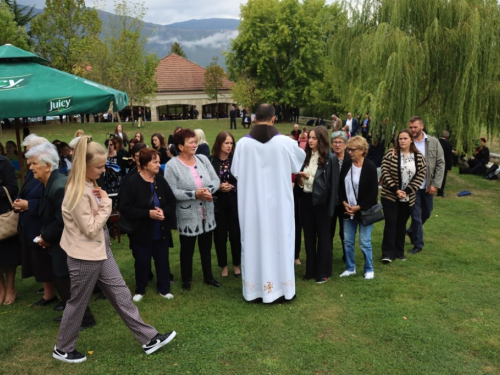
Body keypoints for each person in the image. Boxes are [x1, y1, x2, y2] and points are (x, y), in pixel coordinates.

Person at [51, 136, 175, 363]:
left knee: (121, 295)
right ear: (84, 166)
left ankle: (148, 338)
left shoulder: (90, 184)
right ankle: (63, 348)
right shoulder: (76, 191)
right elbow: (89, 229)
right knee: (78, 303)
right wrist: (107, 204)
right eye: (99, 166)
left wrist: (103, 201)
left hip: (100, 251)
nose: (103, 170)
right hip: (83, 256)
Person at [231, 103, 306, 303]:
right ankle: (283, 290)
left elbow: (236, 172)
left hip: (252, 204)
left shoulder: (243, 144)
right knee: (281, 240)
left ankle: (255, 290)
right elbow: (299, 162)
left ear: (254, 118)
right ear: (274, 119)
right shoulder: (286, 143)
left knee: (254, 242)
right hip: (279, 205)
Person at [25, 142, 96, 325]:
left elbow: (63, 221)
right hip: (61, 243)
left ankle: (84, 319)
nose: (30, 166)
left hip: (67, 244)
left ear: (47, 166)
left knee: (66, 281)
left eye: (34, 163)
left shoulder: (58, 187)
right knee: (64, 280)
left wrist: (45, 237)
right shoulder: (51, 183)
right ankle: (75, 316)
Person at [165, 129, 221, 291]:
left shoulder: (203, 159)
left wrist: (207, 191)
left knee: (206, 247)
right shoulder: (172, 166)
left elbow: (215, 179)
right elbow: (171, 191)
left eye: (195, 141)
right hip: (187, 214)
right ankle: (186, 280)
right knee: (187, 249)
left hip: (207, 213)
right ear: (180, 146)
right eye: (191, 142)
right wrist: (194, 194)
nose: (194, 145)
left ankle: (208, 276)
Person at [119, 148, 176, 301]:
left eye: (159, 161)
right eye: (155, 162)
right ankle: (140, 289)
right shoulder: (132, 182)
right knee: (142, 261)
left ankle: (164, 289)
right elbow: (125, 207)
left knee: (162, 260)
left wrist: (164, 212)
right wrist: (148, 214)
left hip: (161, 231)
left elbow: (171, 202)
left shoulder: (161, 180)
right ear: (144, 164)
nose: (159, 165)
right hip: (141, 232)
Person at [14, 135, 56, 306]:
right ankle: (48, 291)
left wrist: (28, 205)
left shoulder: (51, 172)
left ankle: (50, 294)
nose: (27, 156)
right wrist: (19, 201)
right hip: (30, 223)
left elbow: (48, 200)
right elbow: (26, 191)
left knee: (45, 261)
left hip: (42, 225)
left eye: (30, 151)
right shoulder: (33, 172)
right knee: (39, 262)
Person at [295, 126, 339, 284]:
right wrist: (301, 180)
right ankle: (310, 271)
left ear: (321, 139)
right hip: (306, 200)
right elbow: (301, 183)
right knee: (308, 236)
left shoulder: (330, 158)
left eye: (314, 138)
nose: (311, 141)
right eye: (309, 138)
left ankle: (323, 272)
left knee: (324, 238)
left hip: (323, 202)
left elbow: (334, 186)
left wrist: (331, 208)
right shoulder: (305, 156)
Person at [380, 130, 426, 263]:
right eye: (400, 139)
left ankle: (398, 251)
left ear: (411, 140)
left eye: (405, 138)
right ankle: (387, 253)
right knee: (391, 222)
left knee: (401, 224)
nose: (402, 141)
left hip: (408, 197)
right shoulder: (391, 153)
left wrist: (407, 190)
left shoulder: (418, 156)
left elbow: (420, 174)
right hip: (390, 195)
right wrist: (396, 190)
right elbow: (385, 171)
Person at [338, 136, 378, 280]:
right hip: (347, 209)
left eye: (353, 150)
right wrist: (344, 202)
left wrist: (358, 207)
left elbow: (373, 193)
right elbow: (340, 186)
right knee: (348, 241)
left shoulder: (370, 167)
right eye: (348, 149)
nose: (349, 152)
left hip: (364, 211)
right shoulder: (347, 164)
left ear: (362, 150)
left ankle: (369, 268)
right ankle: (350, 268)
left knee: (364, 241)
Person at [407, 116, 445, 254]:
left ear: (422, 126)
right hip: (412, 186)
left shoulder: (433, 142)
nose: (412, 130)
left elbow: (441, 163)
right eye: (410, 127)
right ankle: (418, 244)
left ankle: (411, 231)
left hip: (427, 185)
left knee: (427, 213)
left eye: (415, 127)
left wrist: (435, 184)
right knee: (416, 216)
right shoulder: (407, 141)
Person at [209, 132, 241, 278]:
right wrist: (218, 187)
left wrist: (232, 187)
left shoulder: (236, 160)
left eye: (231, 143)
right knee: (220, 236)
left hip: (234, 202)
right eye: (226, 143)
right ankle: (223, 266)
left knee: (235, 235)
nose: (229, 146)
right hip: (218, 204)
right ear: (219, 144)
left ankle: (236, 264)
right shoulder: (211, 161)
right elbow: (207, 182)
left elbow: (244, 180)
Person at [0, 153, 20, 305]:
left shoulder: (4, 162)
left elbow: (13, 187)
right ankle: (1, 288)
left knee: (7, 253)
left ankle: (11, 288)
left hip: (3, 215)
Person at [329, 131, 350, 261]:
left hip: (345, 202)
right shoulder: (327, 159)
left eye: (340, 142)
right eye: (335, 142)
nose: (337, 145)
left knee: (345, 232)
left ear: (345, 144)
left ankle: (346, 255)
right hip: (330, 201)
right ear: (331, 144)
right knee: (329, 231)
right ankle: (327, 254)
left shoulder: (350, 160)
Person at [438, 131, 453, 197]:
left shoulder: (436, 142)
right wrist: (449, 167)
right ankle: (440, 192)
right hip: (443, 164)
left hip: (434, 163)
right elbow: (448, 157)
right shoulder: (448, 145)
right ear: (447, 137)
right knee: (442, 178)